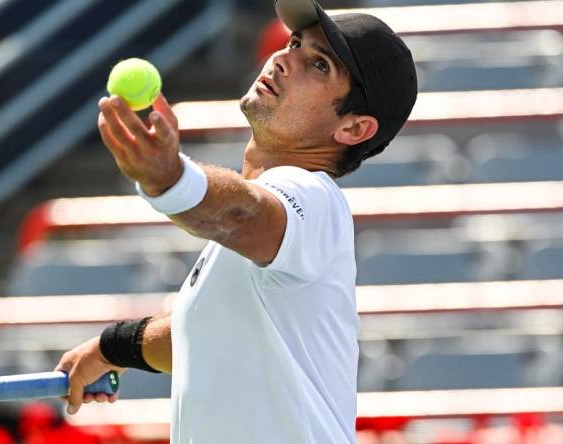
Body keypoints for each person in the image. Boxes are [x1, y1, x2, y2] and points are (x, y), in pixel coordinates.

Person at [55, 0, 417, 442]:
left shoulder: (315, 199)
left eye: (318, 65)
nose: (284, 60)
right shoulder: (262, 248)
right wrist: (111, 347)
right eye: (294, 43)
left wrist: (171, 179)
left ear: (354, 129)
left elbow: (243, 213)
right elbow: (206, 333)